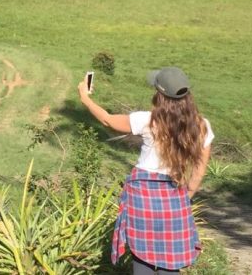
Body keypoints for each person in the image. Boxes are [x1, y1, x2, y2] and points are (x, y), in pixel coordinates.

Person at [78, 66, 214, 274]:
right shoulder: (201, 126)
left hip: (142, 194)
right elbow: (199, 171)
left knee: (143, 257)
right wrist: (185, 198)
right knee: (171, 260)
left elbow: (107, 120)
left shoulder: (148, 120)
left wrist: (85, 98)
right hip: (174, 194)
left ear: (159, 94)